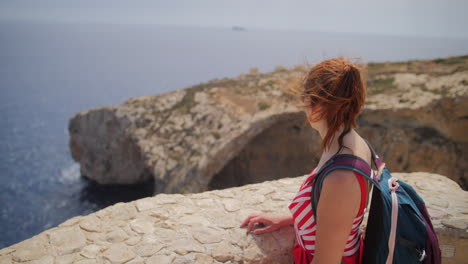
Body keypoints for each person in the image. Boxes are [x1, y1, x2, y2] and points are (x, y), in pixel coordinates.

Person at [240, 57, 373, 264]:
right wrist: (292, 220)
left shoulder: (341, 177)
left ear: (317, 108)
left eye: (305, 100)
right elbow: (335, 214)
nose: (304, 107)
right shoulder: (349, 144)